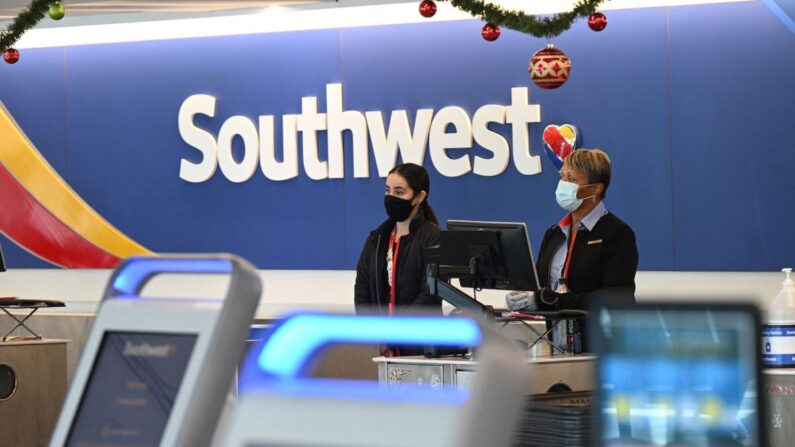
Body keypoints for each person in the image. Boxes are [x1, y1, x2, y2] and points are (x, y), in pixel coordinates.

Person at [506, 149, 638, 352]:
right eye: (562, 177)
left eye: (571, 178)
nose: (563, 184)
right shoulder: (554, 233)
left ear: (594, 189)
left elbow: (616, 297)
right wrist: (524, 297)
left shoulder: (617, 233)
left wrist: (550, 300)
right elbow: (542, 286)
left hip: (603, 349)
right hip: (557, 345)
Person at [354, 163, 441, 318]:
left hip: (418, 337)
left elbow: (430, 294)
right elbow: (362, 289)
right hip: (379, 338)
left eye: (399, 192)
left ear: (419, 197)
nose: (391, 197)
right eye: (388, 190)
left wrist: (398, 330)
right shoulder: (377, 238)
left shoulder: (433, 237)